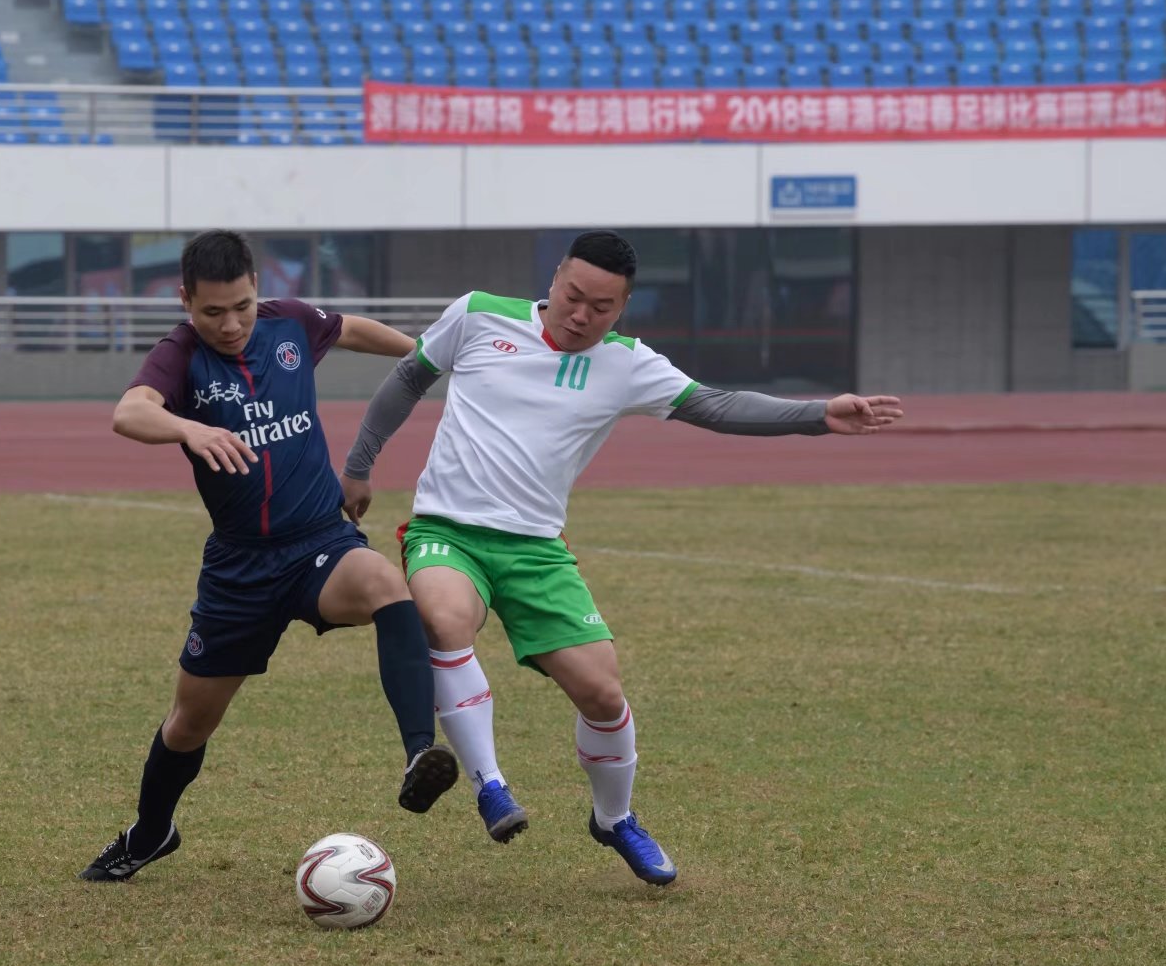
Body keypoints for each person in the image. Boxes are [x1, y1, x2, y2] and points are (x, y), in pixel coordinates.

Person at [340, 230, 903, 886]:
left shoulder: (627, 363)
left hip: (537, 549)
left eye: (602, 307)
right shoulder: (478, 313)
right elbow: (409, 379)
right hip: (448, 529)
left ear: (622, 308)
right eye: (574, 296)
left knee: (603, 694)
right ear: (555, 279)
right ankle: (491, 785)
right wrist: (358, 465)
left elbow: (715, 406)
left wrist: (815, 415)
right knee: (441, 617)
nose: (582, 315)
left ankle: (614, 819)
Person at [81, 230, 459, 883]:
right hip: (239, 570)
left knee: (387, 586)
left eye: (243, 307)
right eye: (213, 312)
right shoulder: (181, 355)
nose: (230, 325)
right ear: (185, 301)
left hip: (321, 543)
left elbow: (351, 329)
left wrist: (429, 358)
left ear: (259, 293)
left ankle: (418, 754)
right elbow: (129, 412)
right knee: (189, 723)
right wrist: (190, 427)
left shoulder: (289, 323)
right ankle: (151, 833)